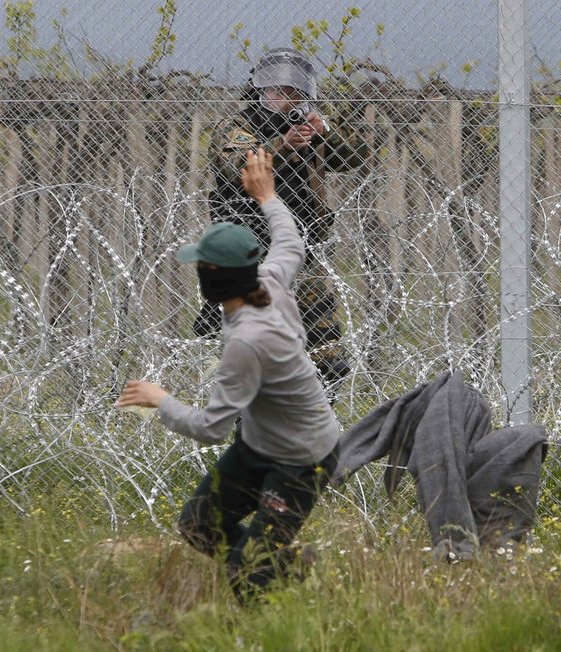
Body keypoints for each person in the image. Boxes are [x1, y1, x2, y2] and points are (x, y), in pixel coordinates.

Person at [116, 148, 339, 601]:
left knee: (247, 571)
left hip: (300, 460)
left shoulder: (246, 342)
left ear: (214, 275)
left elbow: (211, 428)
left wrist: (161, 400)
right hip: (260, 445)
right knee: (198, 526)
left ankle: (266, 608)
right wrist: (268, 196)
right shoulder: (268, 280)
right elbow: (290, 243)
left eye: (201, 265)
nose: (198, 271)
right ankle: (296, 569)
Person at [196, 47, 370, 386]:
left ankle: (317, 421)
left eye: (293, 92)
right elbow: (241, 167)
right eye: (277, 91)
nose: (285, 99)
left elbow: (356, 157)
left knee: (327, 356)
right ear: (260, 91)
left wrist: (326, 131)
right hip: (250, 251)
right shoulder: (236, 127)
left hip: (299, 248)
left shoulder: (308, 131)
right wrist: (284, 147)